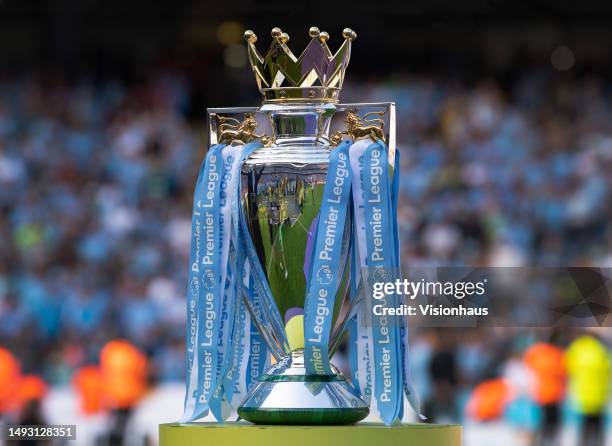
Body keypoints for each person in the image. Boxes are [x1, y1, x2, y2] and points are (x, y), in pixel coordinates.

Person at [565, 334, 611, 446]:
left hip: (581, 394)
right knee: (597, 425)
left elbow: (568, 367)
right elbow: (608, 369)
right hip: (598, 395)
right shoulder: (601, 350)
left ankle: (582, 443)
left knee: (583, 425)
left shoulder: (577, 348)